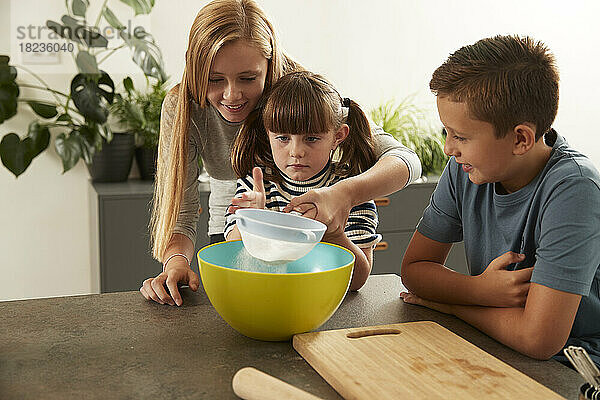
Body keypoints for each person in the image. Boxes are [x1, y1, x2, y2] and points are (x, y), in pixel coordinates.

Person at [139, 0, 422, 306]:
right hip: (235, 222)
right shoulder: (183, 108)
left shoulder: (298, 96)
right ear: (195, 69)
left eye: (248, 78)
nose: (232, 95)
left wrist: (345, 195)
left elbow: (407, 161)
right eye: (214, 79)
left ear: (270, 65)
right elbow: (182, 211)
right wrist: (176, 263)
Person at [400, 35, 600, 365]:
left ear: (520, 138)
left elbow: (539, 339)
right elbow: (415, 269)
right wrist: (480, 291)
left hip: (573, 363)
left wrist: (452, 304)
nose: (449, 148)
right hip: (498, 340)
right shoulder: (463, 169)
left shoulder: (575, 188)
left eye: (461, 136)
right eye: (446, 133)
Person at [225, 71, 382, 291]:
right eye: (283, 138)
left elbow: (357, 281)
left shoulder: (352, 193)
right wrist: (252, 220)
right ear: (267, 134)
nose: (296, 151)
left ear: (338, 137)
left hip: (326, 306)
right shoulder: (256, 185)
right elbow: (232, 260)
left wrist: (334, 233)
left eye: (311, 138)